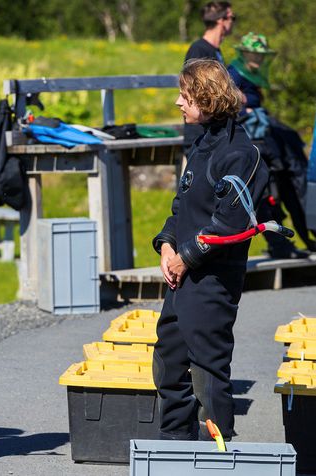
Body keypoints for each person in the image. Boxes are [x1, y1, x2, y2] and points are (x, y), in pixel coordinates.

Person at [152, 59, 268, 441]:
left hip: (212, 280)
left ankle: (216, 453)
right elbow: (181, 207)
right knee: (169, 360)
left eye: (185, 96)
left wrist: (185, 257)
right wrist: (167, 246)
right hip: (180, 277)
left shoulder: (241, 153)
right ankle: (174, 443)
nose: (177, 103)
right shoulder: (202, 144)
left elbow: (229, 226)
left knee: (207, 372)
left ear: (207, 98)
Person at [227, 32, 316, 256]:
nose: (258, 58)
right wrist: (244, 105)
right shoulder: (235, 73)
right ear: (244, 53)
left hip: (265, 137)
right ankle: (284, 242)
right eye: (254, 53)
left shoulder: (251, 73)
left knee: (290, 177)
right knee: (270, 191)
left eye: (261, 54)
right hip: (254, 140)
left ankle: (302, 236)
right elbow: (228, 101)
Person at [183, 2, 236, 147]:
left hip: (212, 132)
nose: (233, 22)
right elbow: (194, 92)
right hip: (201, 134)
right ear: (221, 21)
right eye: (232, 17)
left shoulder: (214, 51)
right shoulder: (199, 50)